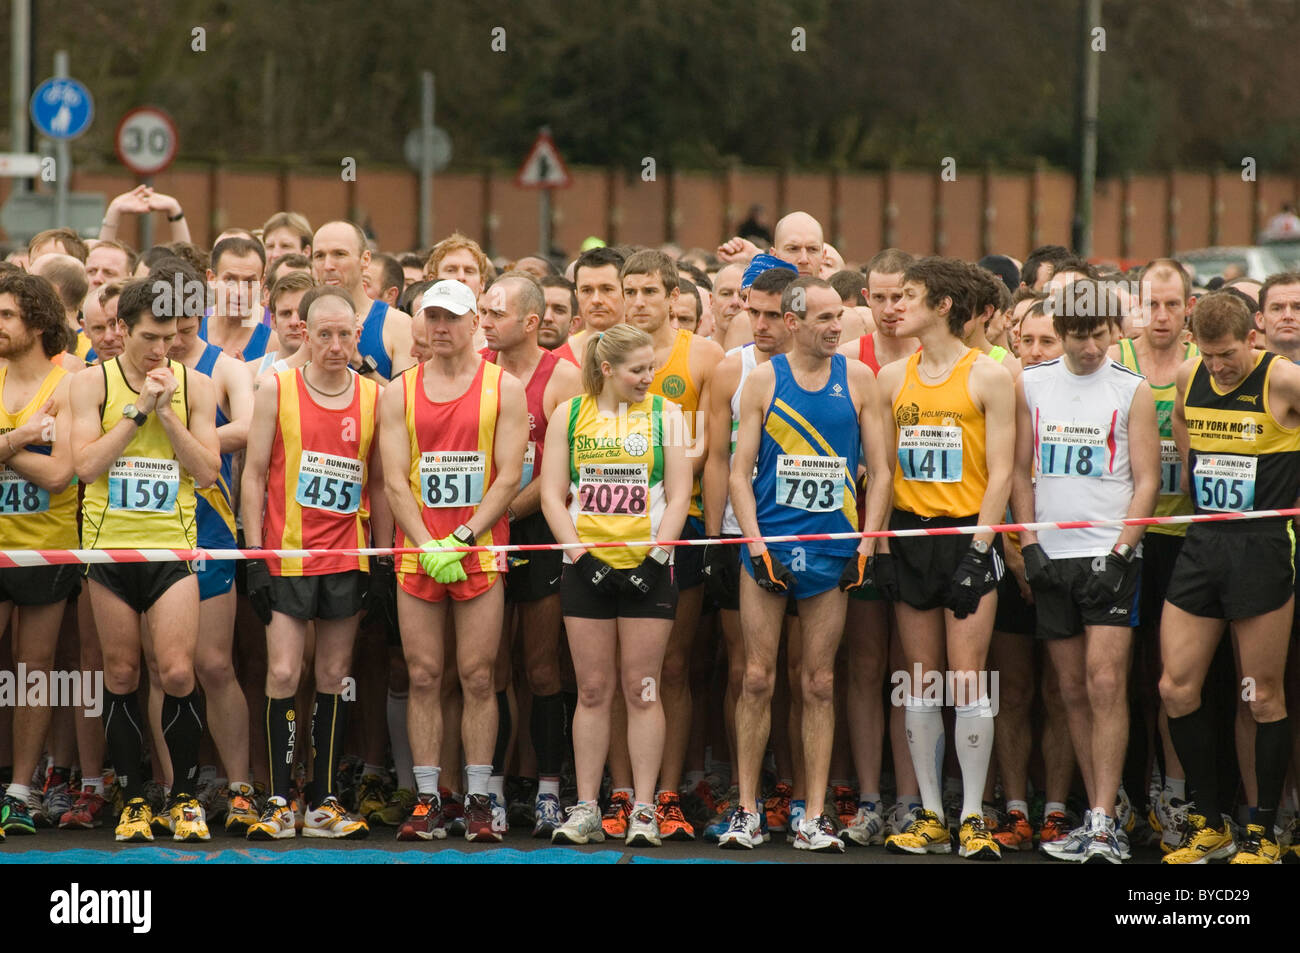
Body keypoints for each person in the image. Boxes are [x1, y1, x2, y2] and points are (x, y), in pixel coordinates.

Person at [725, 276, 892, 851]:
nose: (834, 327)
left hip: (834, 551)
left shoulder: (861, 380)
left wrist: (867, 546)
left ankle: (814, 813)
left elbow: (883, 470)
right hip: (769, 548)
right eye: (822, 318)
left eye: (839, 316)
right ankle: (746, 808)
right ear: (792, 322)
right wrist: (754, 546)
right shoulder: (762, 382)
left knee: (818, 682)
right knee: (755, 677)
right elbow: (737, 474)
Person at [1012, 278, 1160, 863]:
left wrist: (1125, 550)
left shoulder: (1133, 390)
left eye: (1100, 334)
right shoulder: (1031, 383)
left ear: (1114, 331)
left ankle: (1102, 818)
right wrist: (1027, 544)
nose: (1091, 347)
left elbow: (1146, 479)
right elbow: (1022, 469)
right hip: (1053, 553)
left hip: (1111, 552)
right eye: (1079, 336)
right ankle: (1101, 810)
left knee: (1105, 683)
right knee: (1069, 689)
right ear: (1063, 332)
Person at [69, 277, 221, 842]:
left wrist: (169, 414)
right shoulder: (90, 385)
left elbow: (207, 473)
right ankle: (133, 796)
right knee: (123, 672)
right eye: (151, 338)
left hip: (171, 545)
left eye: (174, 337)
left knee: (178, 670)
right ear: (121, 331)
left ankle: (182, 797)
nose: (163, 350)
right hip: (108, 547)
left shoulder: (196, 385)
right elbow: (84, 468)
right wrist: (136, 412)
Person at [379, 279, 528, 843]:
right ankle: (426, 798)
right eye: (432, 318)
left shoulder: (503, 389)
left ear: (474, 324)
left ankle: (479, 797)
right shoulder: (399, 392)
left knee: (479, 675)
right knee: (422, 674)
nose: (441, 328)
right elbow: (394, 479)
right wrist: (425, 543)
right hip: (419, 553)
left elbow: (509, 476)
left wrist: (463, 537)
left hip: (478, 550)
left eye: (452, 318)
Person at [877, 257, 1015, 860]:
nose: (894, 306)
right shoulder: (889, 378)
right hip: (910, 534)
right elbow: (881, 472)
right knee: (920, 680)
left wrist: (980, 550)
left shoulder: (989, 376)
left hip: (967, 535)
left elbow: (1004, 472)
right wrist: (880, 542)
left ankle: (974, 816)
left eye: (908, 296)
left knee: (968, 677)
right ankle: (930, 813)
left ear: (942, 306)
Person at [1160, 292, 1300, 864]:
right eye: (1208, 354)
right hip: (1204, 542)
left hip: (1263, 546)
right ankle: (1208, 820)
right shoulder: (1190, 373)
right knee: (1175, 687)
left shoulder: (1283, 379)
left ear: (1253, 338)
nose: (1217, 366)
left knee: (1261, 695)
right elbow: (1179, 421)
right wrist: (1199, 471)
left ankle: (1263, 831)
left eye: (1227, 356)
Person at [241, 286, 383, 840]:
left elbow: (381, 483)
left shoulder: (376, 397)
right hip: (287, 554)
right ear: (303, 331)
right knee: (282, 671)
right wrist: (254, 555)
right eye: (324, 333)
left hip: (348, 555)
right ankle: (279, 799)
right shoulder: (277, 389)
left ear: (356, 335)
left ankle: (323, 800)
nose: (336, 344)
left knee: (332, 675)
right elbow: (252, 474)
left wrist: (383, 561)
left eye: (346, 334)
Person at [541, 324, 691, 847]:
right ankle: (586, 806)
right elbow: (552, 496)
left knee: (643, 689)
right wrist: (581, 559)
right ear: (607, 370)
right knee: (593, 690)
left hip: (648, 568)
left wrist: (656, 558)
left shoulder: (666, 415)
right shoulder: (571, 414)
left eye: (652, 368)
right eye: (637, 370)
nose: (649, 378)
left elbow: (678, 496)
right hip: (588, 570)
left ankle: (645, 808)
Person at [617, 250, 724, 840]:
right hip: (612, 527)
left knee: (674, 666)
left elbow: (707, 448)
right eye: (629, 291)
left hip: (676, 527)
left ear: (673, 296)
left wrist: (679, 503)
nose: (637, 302)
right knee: (616, 673)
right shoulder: (600, 354)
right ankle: (618, 791)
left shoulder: (701, 356)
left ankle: (666, 793)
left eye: (649, 292)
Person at [479, 272, 582, 836]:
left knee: (542, 666)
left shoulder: (562, 378)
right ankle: (491, 788)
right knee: (489, 667)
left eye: (497, 314)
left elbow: (559, 473)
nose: (486, 323)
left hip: (535, 529)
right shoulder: (477, 371)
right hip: (481, 531)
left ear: (532, 322)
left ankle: (547, 788)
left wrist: (500, 513)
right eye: (484, 312)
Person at [159, 258, 258, 834]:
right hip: (147, 525)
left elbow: (247, 425)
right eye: (168, 308)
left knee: (214, 663)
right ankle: (178, 788)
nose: (178, 321)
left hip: (211, 527)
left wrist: (192, 441)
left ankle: (241, 786)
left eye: (189, 306)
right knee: (161, 668)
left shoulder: (224, 366)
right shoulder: (134, 363)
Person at [701, 265, 798, 842]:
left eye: (770, 314)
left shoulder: (829, 366)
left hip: (806, 535)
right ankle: (748, 795)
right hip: (742, 532)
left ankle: (796, 788)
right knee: (747, 673)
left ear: (794, 314)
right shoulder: (729, 369)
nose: (758, 324)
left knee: (807, 676)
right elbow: (716, 458)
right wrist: (715, 540)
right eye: (750, 311)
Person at [1108, 259, 1200, 852]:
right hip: (1125, 539)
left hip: (1183, 539)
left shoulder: (1203, 365)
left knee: (1173, 678)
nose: (1161, 316)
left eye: (1172, 305)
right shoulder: (1118, 357)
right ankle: (1123, 795)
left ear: (1189, 306)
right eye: (1152, 304)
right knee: (1120, 675)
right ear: (1138, 304)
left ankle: (1175, 791)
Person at [0, 274, 79, 838]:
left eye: (6, 315)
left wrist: (4, 447)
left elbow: (56, 475)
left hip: (47, 546)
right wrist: (23, 433)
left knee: (35, 673)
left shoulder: (71, 380)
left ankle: (21, 791)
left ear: (37, 321)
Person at [312, 221, 414, 380]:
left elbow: (406, 402)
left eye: (339, 254)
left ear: (365, 259)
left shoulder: (397, 324)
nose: (328, 265)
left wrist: (359, 363)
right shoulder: (297, 320)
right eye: (319, 256)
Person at [201, 237, 277, 362]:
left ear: (261, 283)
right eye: (230, 280)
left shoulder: (273, 345)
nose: (239, 292)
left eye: (249, 282)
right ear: (212, 279)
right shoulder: (191, 334)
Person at [539, 275, 579, 363]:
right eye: (541, 308)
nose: (547, 318)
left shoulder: (584, 369)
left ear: (573, 324)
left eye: (559, 310)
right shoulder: (504, 365)